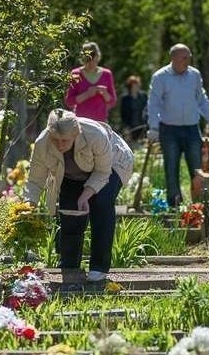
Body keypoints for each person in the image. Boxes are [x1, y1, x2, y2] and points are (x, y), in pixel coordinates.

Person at [23, 109, 133, 282]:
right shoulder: (42, 143)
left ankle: (99, 267)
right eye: (55, 140)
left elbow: (103, 172)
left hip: (111, 164)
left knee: (101, 204)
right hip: (71, 174)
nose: (60, 145)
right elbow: (35, 180)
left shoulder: (95, 134)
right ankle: (69, 265)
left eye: (65, 140)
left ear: (76, 133)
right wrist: (29, 204)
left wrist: (86, 194)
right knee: (70, 212)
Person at [147, 43, 209, 207]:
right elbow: (153, 104)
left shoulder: (194, 75)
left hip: (192, 129)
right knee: (171, 169)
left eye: (189, 57)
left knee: (198, 170)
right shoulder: (160, 77)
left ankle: (199, 206)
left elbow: (202, 99)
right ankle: (175, 206)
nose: (188, 61)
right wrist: (153, 127)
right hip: (169, 130)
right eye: (184, 58)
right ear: (173, 58)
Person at [65, 42, 117, 122]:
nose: (91, 62)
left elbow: (113, 101)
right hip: (81, 122)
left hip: (101, 122)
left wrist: (105, 94)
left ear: (98, 56)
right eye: (87, 59)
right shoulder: (75, 73)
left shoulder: (107, 74)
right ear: (83, 58)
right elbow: (69, 101)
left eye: (93, 57)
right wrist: (87, 94)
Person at [120, 75, 148, 141]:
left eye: (137, 85)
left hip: (143, 125)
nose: (136, 87)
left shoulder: (143, 96)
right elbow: (123, 114)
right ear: (130, 86)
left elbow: (147, 109)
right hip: (131, 126)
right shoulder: (125, 99)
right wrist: (125, 127)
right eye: (134, 85)